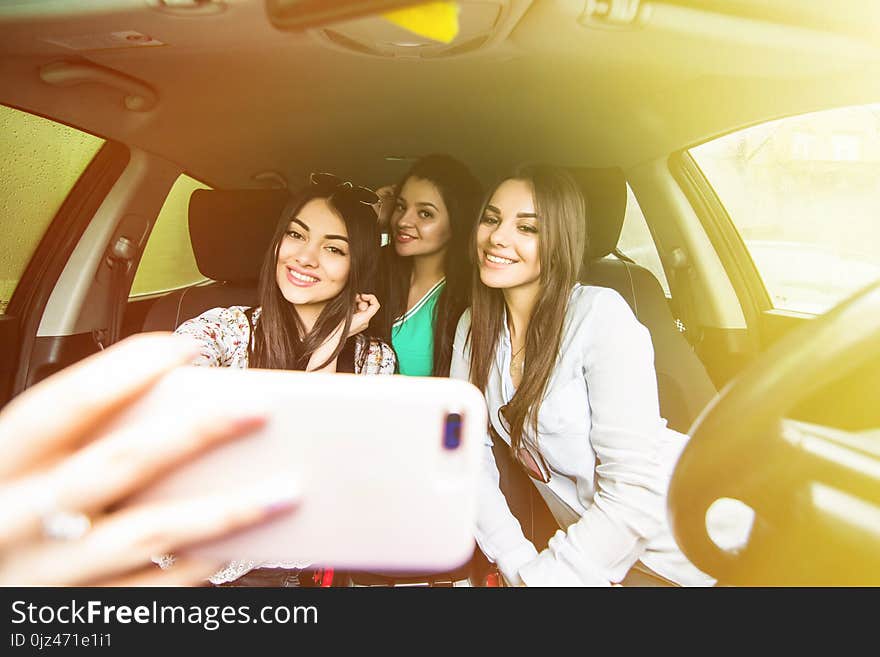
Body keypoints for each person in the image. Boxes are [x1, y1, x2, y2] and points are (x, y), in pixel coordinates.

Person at [450, 164, 715, 586]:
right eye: (492, 219)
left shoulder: (599, 314)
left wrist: (547, 578)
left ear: (560, 241)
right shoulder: (473, 326)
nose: (498, 238)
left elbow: (633, 488)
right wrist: (518, 562)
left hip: (678, 546)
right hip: (586, 556)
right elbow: (468, 456)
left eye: (528, 228)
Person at [170, 173, 396, 586]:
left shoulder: (372, 360)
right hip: (199, 568)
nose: (305, 257)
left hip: (300, 573)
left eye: (333, 248)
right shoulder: (218, 330)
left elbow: (341, 487)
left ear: (357, 266)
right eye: (296, 234)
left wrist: (332, 345)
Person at [0, 333, 297, 586]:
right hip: (178, 545)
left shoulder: (346, 355)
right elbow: (183, 375)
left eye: (337, 259)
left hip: (282, 565)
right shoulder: (226, 325)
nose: (306, 260)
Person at [373, 154, 483, 377]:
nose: (403, 221)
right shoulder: (376, 272)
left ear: (457, 221)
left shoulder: (470, 297)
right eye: (401, 207)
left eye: (425, 213)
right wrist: (369, 220)